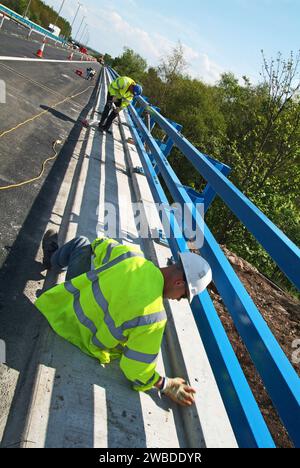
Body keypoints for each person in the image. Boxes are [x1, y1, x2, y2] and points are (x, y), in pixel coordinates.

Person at [36, 231, 212, 407]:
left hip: (62, 306)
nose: (176, 299)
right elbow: (135, 369)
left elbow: (99, 244)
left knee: (82, 243)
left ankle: (52, 259)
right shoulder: (154, 317)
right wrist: (166, 384)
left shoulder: (132, 256)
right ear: (179, 284)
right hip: (82, 337)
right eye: (182, 296)